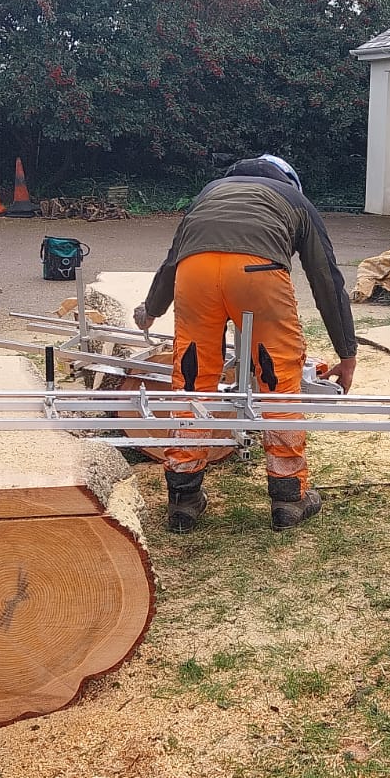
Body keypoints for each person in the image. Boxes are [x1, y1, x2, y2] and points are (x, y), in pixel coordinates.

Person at [133, 155, 358, 533]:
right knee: (277, 385)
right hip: (259, 275)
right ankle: (289, 499)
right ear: (289, 179)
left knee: (192, 382)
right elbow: (325, 278)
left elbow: (173, 262)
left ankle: (183, 501)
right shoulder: (295, 200)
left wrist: (152, 310)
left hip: (195, 275)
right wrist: (346, 353)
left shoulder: (209, 193)